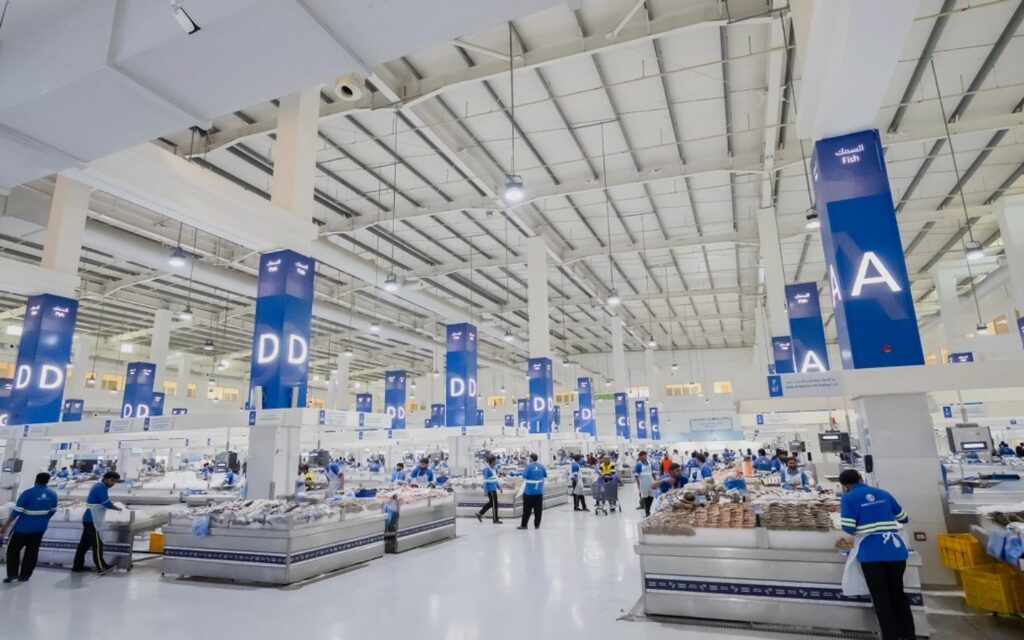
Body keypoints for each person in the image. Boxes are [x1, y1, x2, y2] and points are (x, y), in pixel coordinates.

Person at [839, 469, 913, 640]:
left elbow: (848, 527)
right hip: (895, 551)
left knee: (881, 598)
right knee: (898, 595)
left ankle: (891, 636)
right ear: (860, 478)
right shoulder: (883, 493)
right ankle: (908, 636)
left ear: (845, 486)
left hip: (870, 553)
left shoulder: (848, 498)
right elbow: (903, 518)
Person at [1, 472, 58, 583]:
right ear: (48, 481)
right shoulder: (53, 494)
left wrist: (6, 525)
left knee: (12, 550)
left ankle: (12, 574)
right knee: (32, 552)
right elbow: (52, 511)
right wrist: (43, 519)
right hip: (40, 528)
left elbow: (16, 511)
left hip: (22, 528)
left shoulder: (28, 493)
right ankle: (25, 576)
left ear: (36, 480)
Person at [72, 471, 123, 574]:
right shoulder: (100, 488)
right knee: (98, 544)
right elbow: (106, 503)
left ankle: (77, 566)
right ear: (105, 478)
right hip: (92, 520)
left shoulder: (99, 486)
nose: (113, 483)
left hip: (89, 519)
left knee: (84, 545)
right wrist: (118, 508)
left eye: (115, 481)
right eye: (112, 480)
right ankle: (101, 567)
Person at [517, 453, 547, 530]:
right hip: (539, 492)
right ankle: (537, 525)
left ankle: (524, 525)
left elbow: (524, 476)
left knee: (527, 510)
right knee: (538, 510)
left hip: (529, 492)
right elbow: (545, 476)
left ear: (530, 458)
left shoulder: (528, 467)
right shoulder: (541, 466)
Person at [476, 456, 503, 524]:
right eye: (495, 460)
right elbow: (485, 480)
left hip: (493, 487)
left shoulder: (494, 469)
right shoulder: (487, 469)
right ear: (492, 461)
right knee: (494, 504)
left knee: (491, 503)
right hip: (490, 489)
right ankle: (495, 519)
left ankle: (480, 513)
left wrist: (499, 487)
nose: (496, 462)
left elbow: (495, 479)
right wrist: (485, 490)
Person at [634, 451, 657, 516]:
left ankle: (648, 508)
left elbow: (653, 473)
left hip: (651, 482)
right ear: (640, 457)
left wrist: (656, 481)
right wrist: (638, 484)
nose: (646, 457)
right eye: (644, 456)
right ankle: (647, 511)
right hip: (643, 483)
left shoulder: (650, 463)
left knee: (651, 495)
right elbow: (636, 475)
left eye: (646, 455)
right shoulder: (639, 465)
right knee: (645, 496)